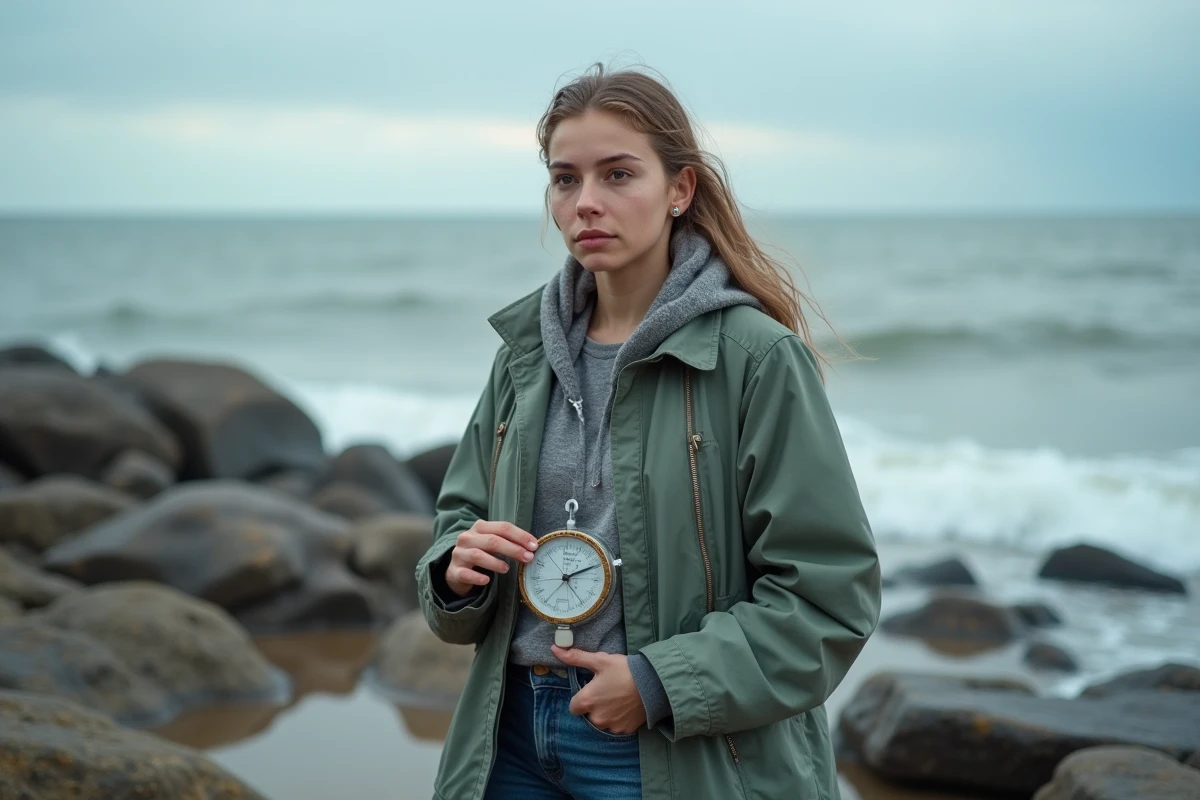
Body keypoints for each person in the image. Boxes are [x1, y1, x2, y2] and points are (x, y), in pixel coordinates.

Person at [417, 62, 881, 800]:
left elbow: (829, 599)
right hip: (507, 738)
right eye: (565, 179)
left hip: (668, 750)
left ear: (680, 189)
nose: (586, 203)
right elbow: (457, 522)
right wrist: (454, 570)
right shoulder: (522, 358)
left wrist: (661, 682)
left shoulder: (755, 359)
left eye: (618, 174)